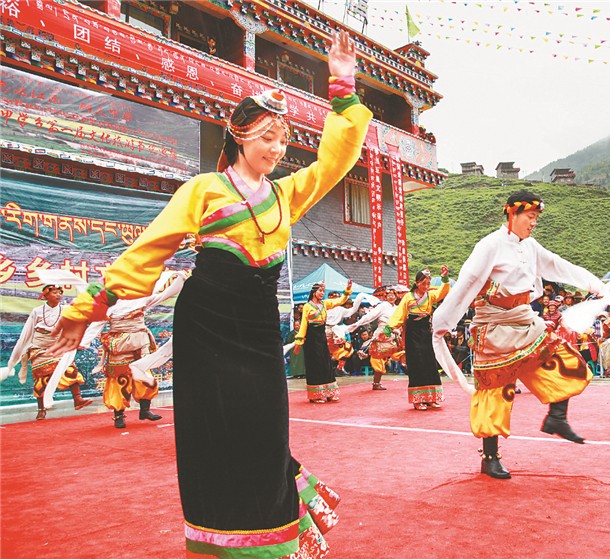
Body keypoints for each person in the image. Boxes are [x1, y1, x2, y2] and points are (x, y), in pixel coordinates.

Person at [49, 31, 370, 558]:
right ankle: (219, 539)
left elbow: (335, 162)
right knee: (213, 431)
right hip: (207, 324)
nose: (277, 149)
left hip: (258, 329)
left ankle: (269, 539)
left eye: (283, 139)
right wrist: (89, 308)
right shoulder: (203, 190)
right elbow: (149, 250)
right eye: (266, 137)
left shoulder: (286, 194)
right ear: (239, 136)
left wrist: (342, 84)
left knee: (266, 431)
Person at [432, 190, 609, 480]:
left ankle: (557, 417)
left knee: (563, 359)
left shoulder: (531, 246)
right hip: (494, 325)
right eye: (530, 216)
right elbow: (467, 282)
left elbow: (558, 265)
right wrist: (443, 321)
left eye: (536, 218)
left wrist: (595, 285)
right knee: (495, 390)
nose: (534, 222)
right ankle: (490, 457)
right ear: (512, 214)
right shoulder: (490, 245)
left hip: (524, 319)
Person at [87, 271, 187, 428]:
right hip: (120, 346)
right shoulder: (109, 306)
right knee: (120, 380)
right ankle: (119, 416)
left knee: (145, 376)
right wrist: (84, 341)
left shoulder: (141, 299)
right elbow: (96, 324)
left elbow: (164, 295)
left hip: (140, 345)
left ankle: (145, 410)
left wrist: (179, 278)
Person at [4, 285, 92, 420]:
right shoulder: (37, 311)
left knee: (69, 369)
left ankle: (78, 399)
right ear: (45, 296)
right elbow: (27, 331)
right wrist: (21, 349)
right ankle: (41, 409)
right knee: (41, 379)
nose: (58, 295)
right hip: (39, 348)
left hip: (58, 346)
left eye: (60, 293)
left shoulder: (66, 310)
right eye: (54, 293)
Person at [387, 266, 451, 410]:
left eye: (428, 283)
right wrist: (388, 328)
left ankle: (431, 397)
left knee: (429, 363)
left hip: (425, 332)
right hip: (412, 334)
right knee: (416, 364)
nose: (426, 286)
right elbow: (399, 314)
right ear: (416, 283)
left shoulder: (430, 295)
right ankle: (418, 400)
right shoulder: (408, 297)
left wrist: (445, 278)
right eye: (423, 283)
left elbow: (442, 292)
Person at [294, 280, 352, 402]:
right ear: (314, 292)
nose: (322, 293)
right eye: (320, 291)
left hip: (322, 336)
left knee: (326, 363)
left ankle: (330, 392)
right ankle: (316, 395)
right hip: (311, 339)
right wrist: (299, 342)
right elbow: (304, 324)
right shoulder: (307, 306)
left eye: (323, 291)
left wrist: (347, 290)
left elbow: (341, 301)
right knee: (315, 365)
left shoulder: (325, 304)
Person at [345, 286, 404, 390]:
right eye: (389, 295)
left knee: (396, 355)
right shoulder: (383, 306)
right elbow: (370, 316)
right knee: (378, 358)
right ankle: (376, 383)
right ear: (385, 297)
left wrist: (398, 330)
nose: (391, 297)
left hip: (394, 335)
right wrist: (358, 323)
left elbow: (401, 322)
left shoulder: (397, 308)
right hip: (382, 334)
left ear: (396, 297)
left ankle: (410, 374)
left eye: (393, 295)